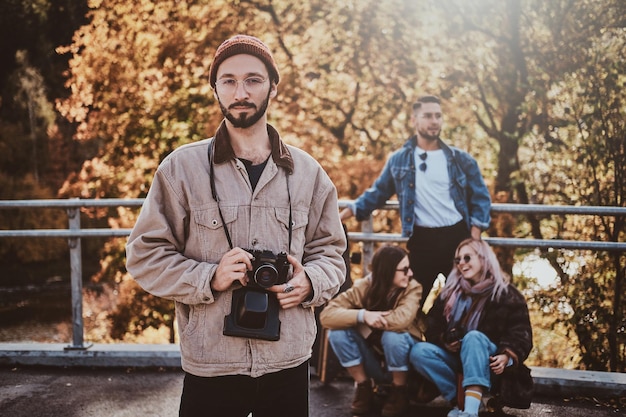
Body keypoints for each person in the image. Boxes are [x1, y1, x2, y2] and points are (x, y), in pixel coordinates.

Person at [125, 34, 347, 417]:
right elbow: (144, 257)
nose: (239, 91)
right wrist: (209, 277)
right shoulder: (181, 169)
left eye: (253, 79)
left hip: (288, 359)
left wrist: (310, 282)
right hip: (211, 361)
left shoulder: (309, 173)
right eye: (228, 80)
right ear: (215, 88)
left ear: (273, 86)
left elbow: (332, 255)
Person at [340, 95, 491, 303]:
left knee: (461, 300)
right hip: (422, 240)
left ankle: (451, 335)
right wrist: (347, 213)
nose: (434, 121)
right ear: (414, 120)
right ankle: (411, 335)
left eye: (438, 116)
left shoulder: (460, 159)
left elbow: (481, 197)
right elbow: (377, 193)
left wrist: (474, 236)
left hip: (457, 237)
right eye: (428, 116)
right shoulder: (399, 160)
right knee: (411, 299)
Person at [409, 238, 533, 417]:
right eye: (458, 259)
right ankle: (461, 401)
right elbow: (432, 326)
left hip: (491, 364)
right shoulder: (449, 292)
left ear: (483, 258)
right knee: (419, 351)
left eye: (467, 258)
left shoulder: (506, 294)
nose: (461, 263)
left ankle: (470, 412)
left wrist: (507, 356)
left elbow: (522, 334)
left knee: (474, 337)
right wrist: (445, 341)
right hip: (456, 360)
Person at [320, 245, 424, 417]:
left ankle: (399, 391)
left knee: (392, 337)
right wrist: (363, 315)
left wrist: (367, 322)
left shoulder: (412, 287)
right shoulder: (364, 286)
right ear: (387, 271)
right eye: (404, 269)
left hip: (405, 362)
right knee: (337, 333)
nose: (410, 273)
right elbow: (327, 316)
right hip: (374, 360)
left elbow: (402, 320)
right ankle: (364, 387)